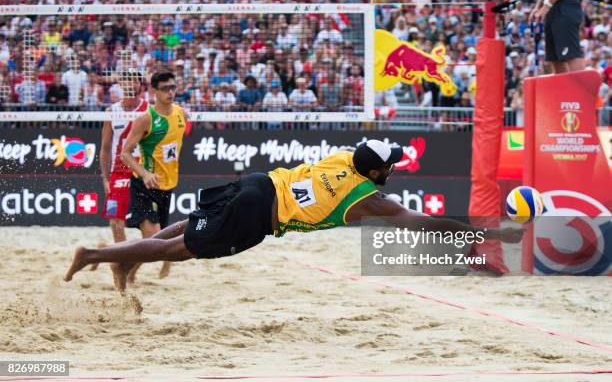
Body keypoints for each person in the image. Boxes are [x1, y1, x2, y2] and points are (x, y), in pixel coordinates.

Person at [65, 140, 524, 292]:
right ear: (374, 170)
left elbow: (373, 164)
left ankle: (127, 258)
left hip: (259, 182)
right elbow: (421, 223)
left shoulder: (347, 157)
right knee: (180, 248)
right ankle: (94, 254)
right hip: (258, 212)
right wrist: (483, 233)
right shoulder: (367, 199)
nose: (394, 169)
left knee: (185, 226)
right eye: (390, 165)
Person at [118, 71, 187, 283]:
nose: (171, 92)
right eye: (166, 88)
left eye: (174, 87)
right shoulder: (145, 119)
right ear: (154, 91)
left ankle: (127, 271)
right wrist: (145, 173)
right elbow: (125, 153)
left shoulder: (181, 114)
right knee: (153, 239)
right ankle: (123, 270)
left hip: (167, 186)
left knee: (156, 242)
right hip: (144, 185)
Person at [91, 70, 149, 272]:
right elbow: (105, 147)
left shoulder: (149, 111)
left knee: (149, 231)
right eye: (126, 80)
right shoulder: (111, 111)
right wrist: (105, 178)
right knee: (116, 222)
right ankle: (121, 267)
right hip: (118, 171)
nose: (130, 84)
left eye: (134, 80)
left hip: (142, 171)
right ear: (120, 85)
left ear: (141, 85)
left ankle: (116, 259)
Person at [531, 0, 585, 74]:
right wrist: (538, 6)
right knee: (555, 58)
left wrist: (545, 6)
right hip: (552, 6)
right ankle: (565, 90)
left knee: (571, 55)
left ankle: (582, 89)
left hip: (565, 4)